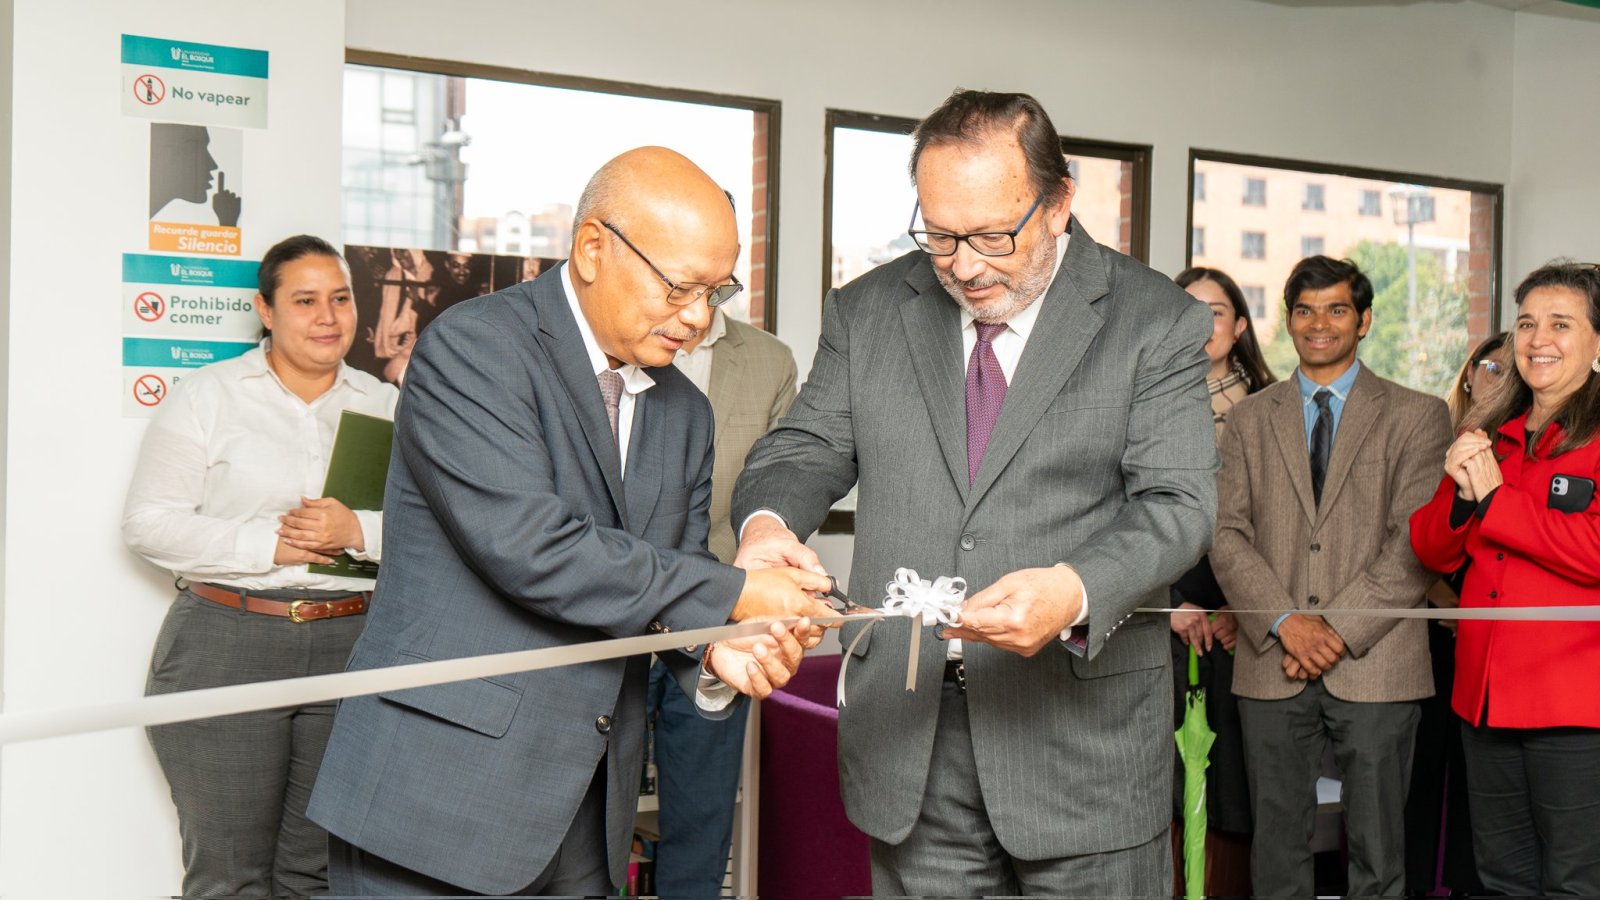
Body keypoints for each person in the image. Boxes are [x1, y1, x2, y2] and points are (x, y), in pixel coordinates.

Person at [306, 147, 834, 897]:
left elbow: (666, 583)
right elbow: (532, 548)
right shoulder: (475, 347)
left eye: (717, 291)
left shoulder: (684, 411)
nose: (698, 317)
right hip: (436, 800)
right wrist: (736, 592)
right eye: (680, 287)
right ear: (593, 248)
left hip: (586, 815)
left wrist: (720, 656)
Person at [731, 89, 1218, 898]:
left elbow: (1178, 505)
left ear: (1059, 203)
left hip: (1081, 748)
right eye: (939, 234)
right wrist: (766, 524)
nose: (962, 263)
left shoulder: (1153, 321)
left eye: (993, 235)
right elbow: (806, 444)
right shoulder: (869, 310)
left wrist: (1073, 589)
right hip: (911, 743)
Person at [122, 235, 400, 898]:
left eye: (339, 299)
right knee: (228, 875)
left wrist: (357, 530)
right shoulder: (209, 396)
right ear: (266, 310)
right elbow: (147, 522)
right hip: (228, 640)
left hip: (351, 645)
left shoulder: (386, 404)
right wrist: (266, 546)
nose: (327, 317)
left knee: (316, 874)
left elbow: (433, 531)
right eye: (304, 301)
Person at [1211, 255, 1452, 899]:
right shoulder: (1248, 419)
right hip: (1272, 662)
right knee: (1277, 851)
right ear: (1288, 322)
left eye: (1337, 309)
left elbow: (1414, 545)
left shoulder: (1418, 415)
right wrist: (1288, 624)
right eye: (1305, 311)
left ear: (1365, 319)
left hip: (1379, 664)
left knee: (1380, 854)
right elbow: (1225, 533)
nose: (1319, 324)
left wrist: (1335, 631)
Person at [1410, 261, 1600, 896]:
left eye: (1560, 324)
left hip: (1575, 709)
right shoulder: (1490, 429)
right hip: (1486, 703)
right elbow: (1431, 549)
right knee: (1500, 879)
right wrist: (1464, 501)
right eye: (1525, 323)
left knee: (1575, 881)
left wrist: (1495, 502)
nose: (1537, 338)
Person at [645, 302, 799, 899]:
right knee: (584, 825)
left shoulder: (769, 361)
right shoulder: (616, 344)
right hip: (611, 620)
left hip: (722, 627)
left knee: (701, 823)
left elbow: (787, 480)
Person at [1167, 266, 1276, 891]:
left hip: (1249, 622)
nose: (1198, 323)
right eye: (1183, 309)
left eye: (1212, 311)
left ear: (1237, 327)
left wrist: (1250, 607)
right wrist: (1172, 600)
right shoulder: (1143, 399)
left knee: (1238, 781)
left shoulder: (1276, 408)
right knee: (1164, 781)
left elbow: (1289, 526)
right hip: (1160, 611)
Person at [1404, 332, 1507, 897]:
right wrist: (1446, 601)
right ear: (1468, 374)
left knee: (1477, 782)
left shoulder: (1518, 442)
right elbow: (1415, 532)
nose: (1500, 376)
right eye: (1490, 365)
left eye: (1510, 368)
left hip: (1490, 629)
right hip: (1432, 625)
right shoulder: (1438, 434)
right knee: (1423, 770)